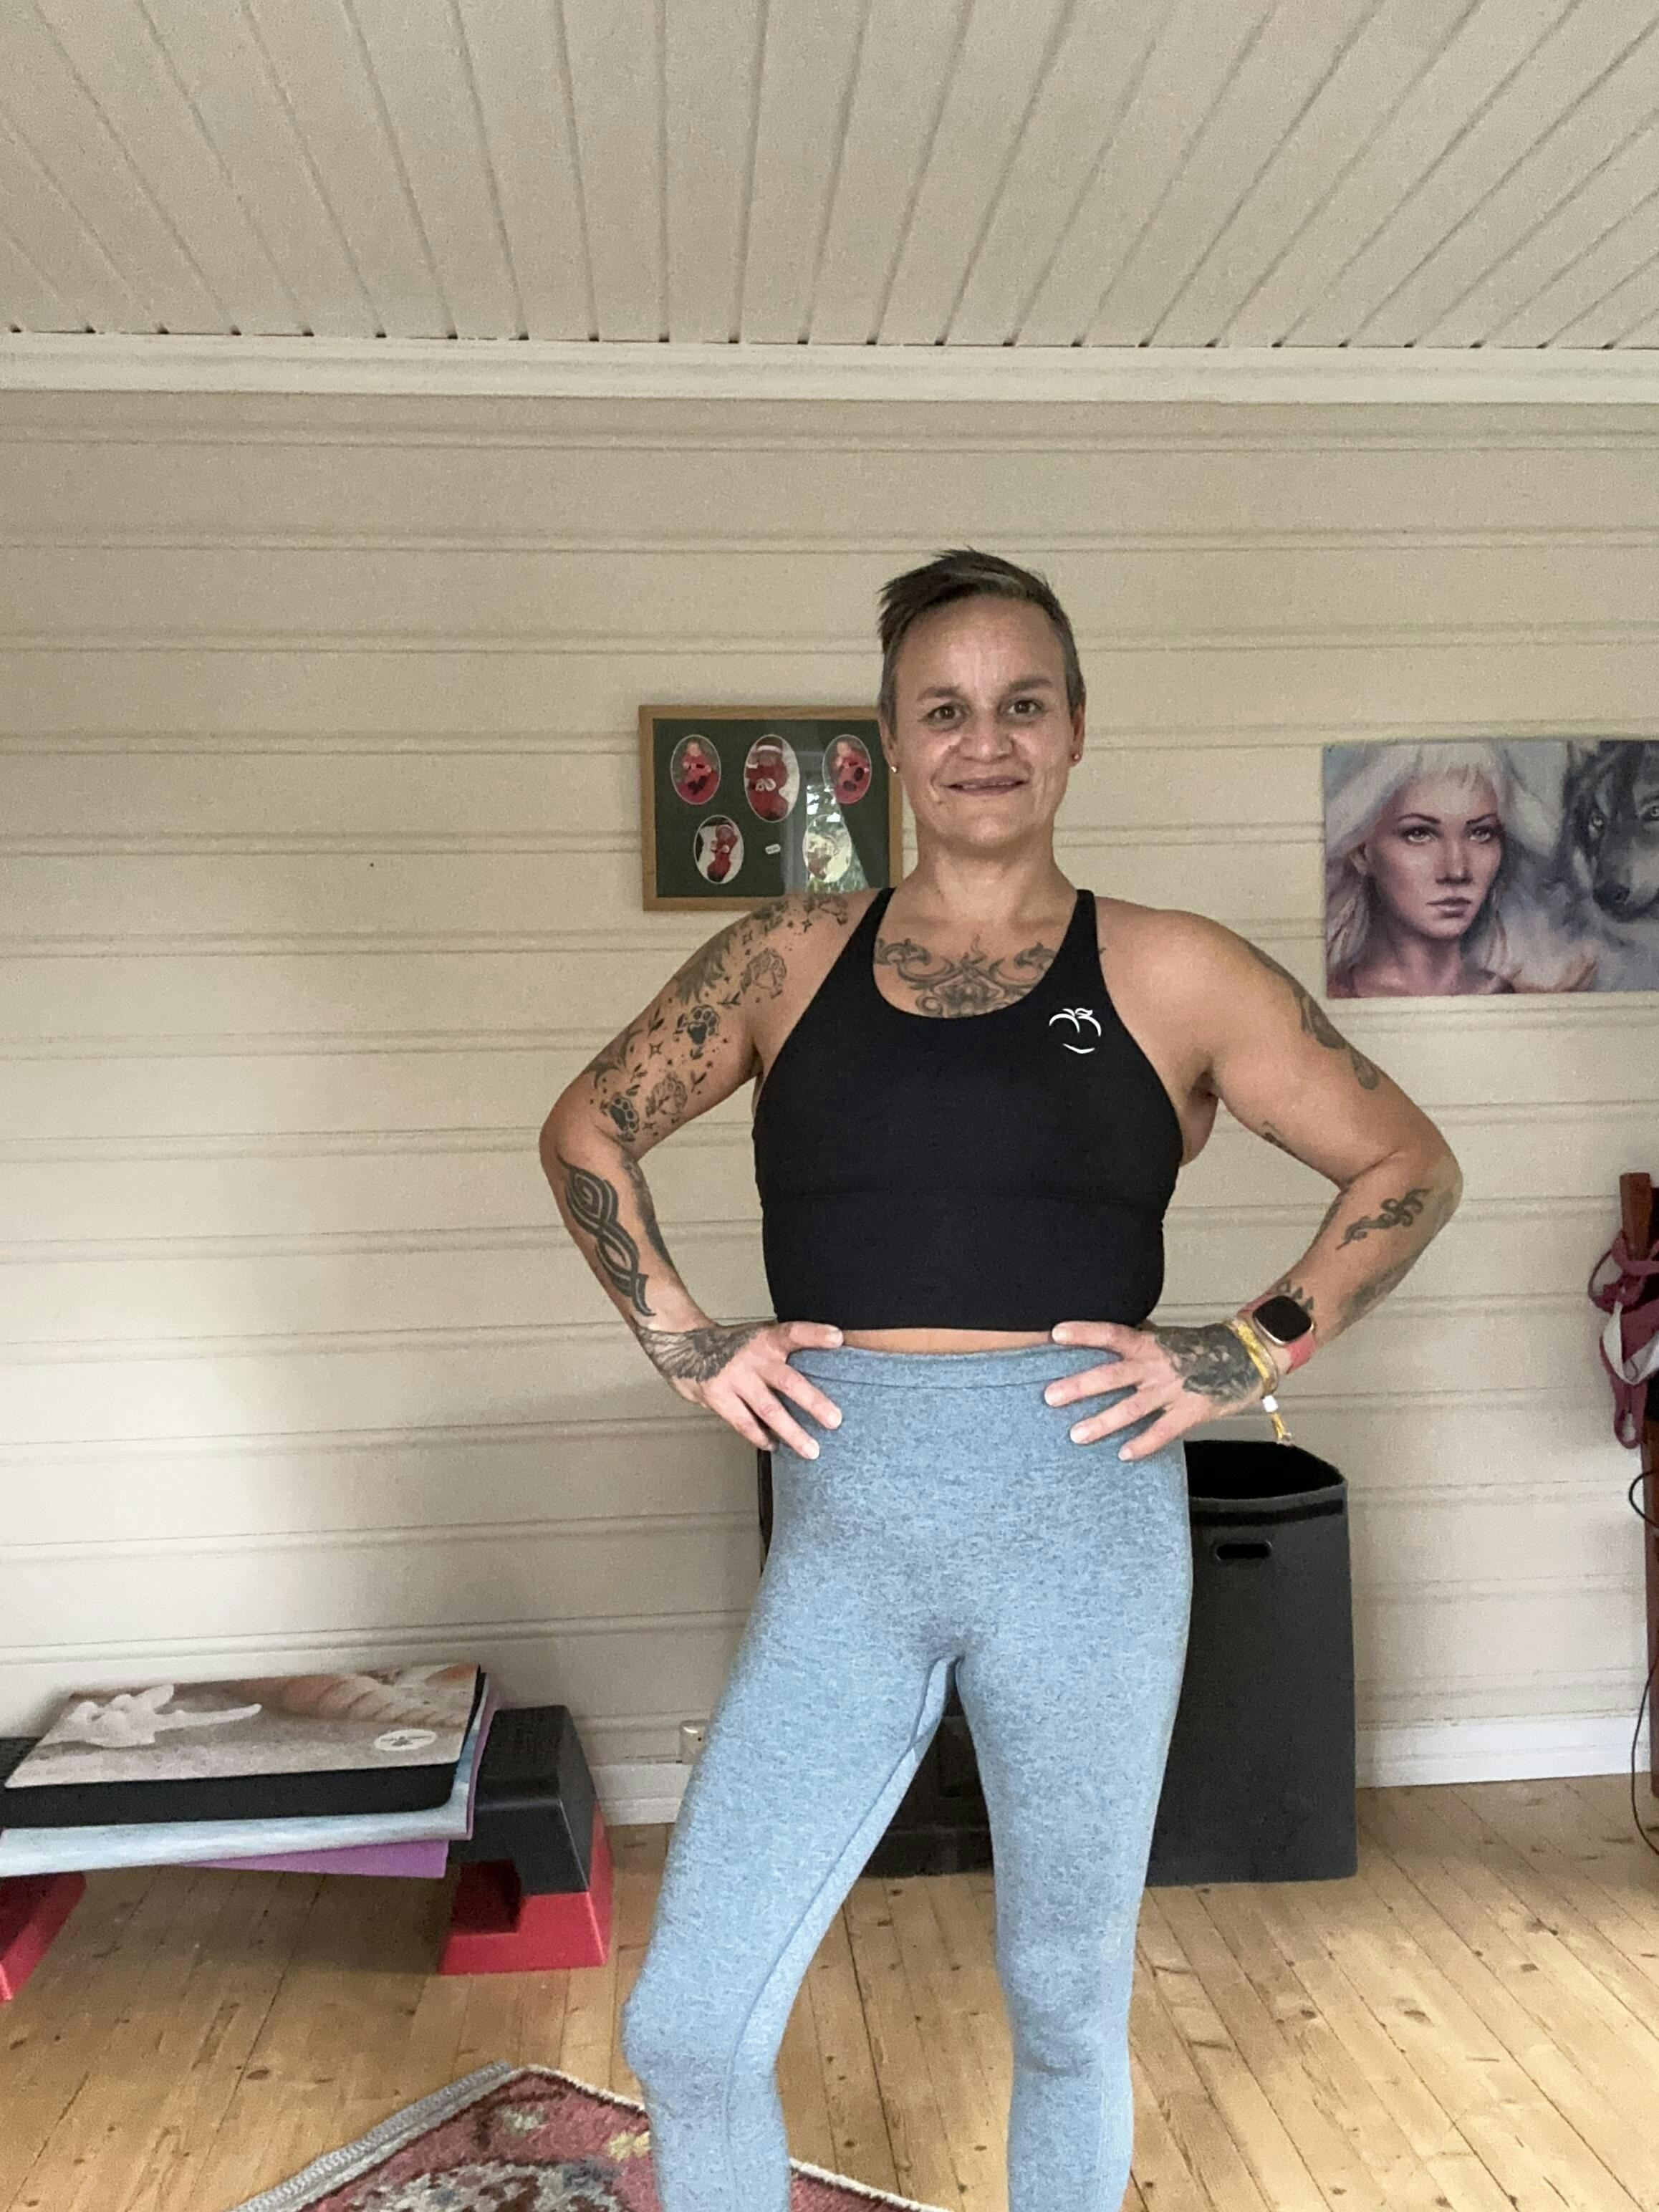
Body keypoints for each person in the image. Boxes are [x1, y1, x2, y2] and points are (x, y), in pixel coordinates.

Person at [542, 548, 1463, 2212]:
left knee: (1062, 2002)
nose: (985, 740)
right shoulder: (784, 956)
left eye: (1022, 704)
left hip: (1084, 1536)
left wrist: (1245, 1346)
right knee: (688, 2019)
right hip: (847, 1541)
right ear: (893, 740)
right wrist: (684, 1333)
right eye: (946, 708)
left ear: (1076, 728)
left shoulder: (1176, 969)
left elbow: (1406, 1162)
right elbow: (587, 1123)